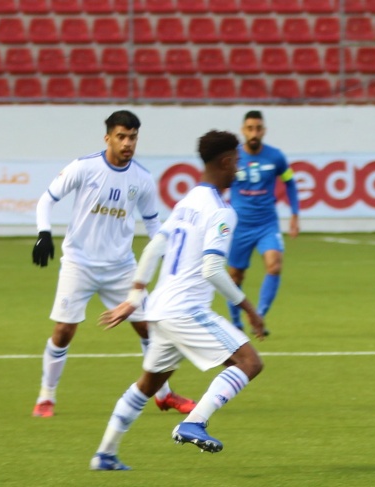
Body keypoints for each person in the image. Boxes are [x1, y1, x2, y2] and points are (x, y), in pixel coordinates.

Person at [90, 130, 266, 471]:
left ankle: (105, 454)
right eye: (237, 162)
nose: (238, 169)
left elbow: (154, 247)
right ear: (226, 161)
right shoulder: (221, 211)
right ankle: (194, 422)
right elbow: (213, 268)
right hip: (186, 310)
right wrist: (249, 308)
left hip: (160, 309)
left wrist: (134, 297)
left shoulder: (187, 202)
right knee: (249, 362)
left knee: (147, 385)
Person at [31, 110, 195, 418]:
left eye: (133, 137)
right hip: (79, 263)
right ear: (108, 137)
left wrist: (172, 255)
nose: (127, 143)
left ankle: (163, 394)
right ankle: (46, 396)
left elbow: (152, 224)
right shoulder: (84, 167)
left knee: (150, 329)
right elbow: (46, 200)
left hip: (121, 268)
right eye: (121, 136)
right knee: (64, 330)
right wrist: (44, 234)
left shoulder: (142, 179)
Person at [226, 110, 300, 335]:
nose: (254, 133)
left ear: (264, 130)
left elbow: (290, 183)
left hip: (267, 223)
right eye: (250, 128)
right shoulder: (233, 157)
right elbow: (218, 184)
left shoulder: (276, 157)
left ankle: (259, 316)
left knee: (275, 265)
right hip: (240, 225)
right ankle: (236, 322)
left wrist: (295, 214)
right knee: (235, 276)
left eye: (258, 128)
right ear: (243, 130)